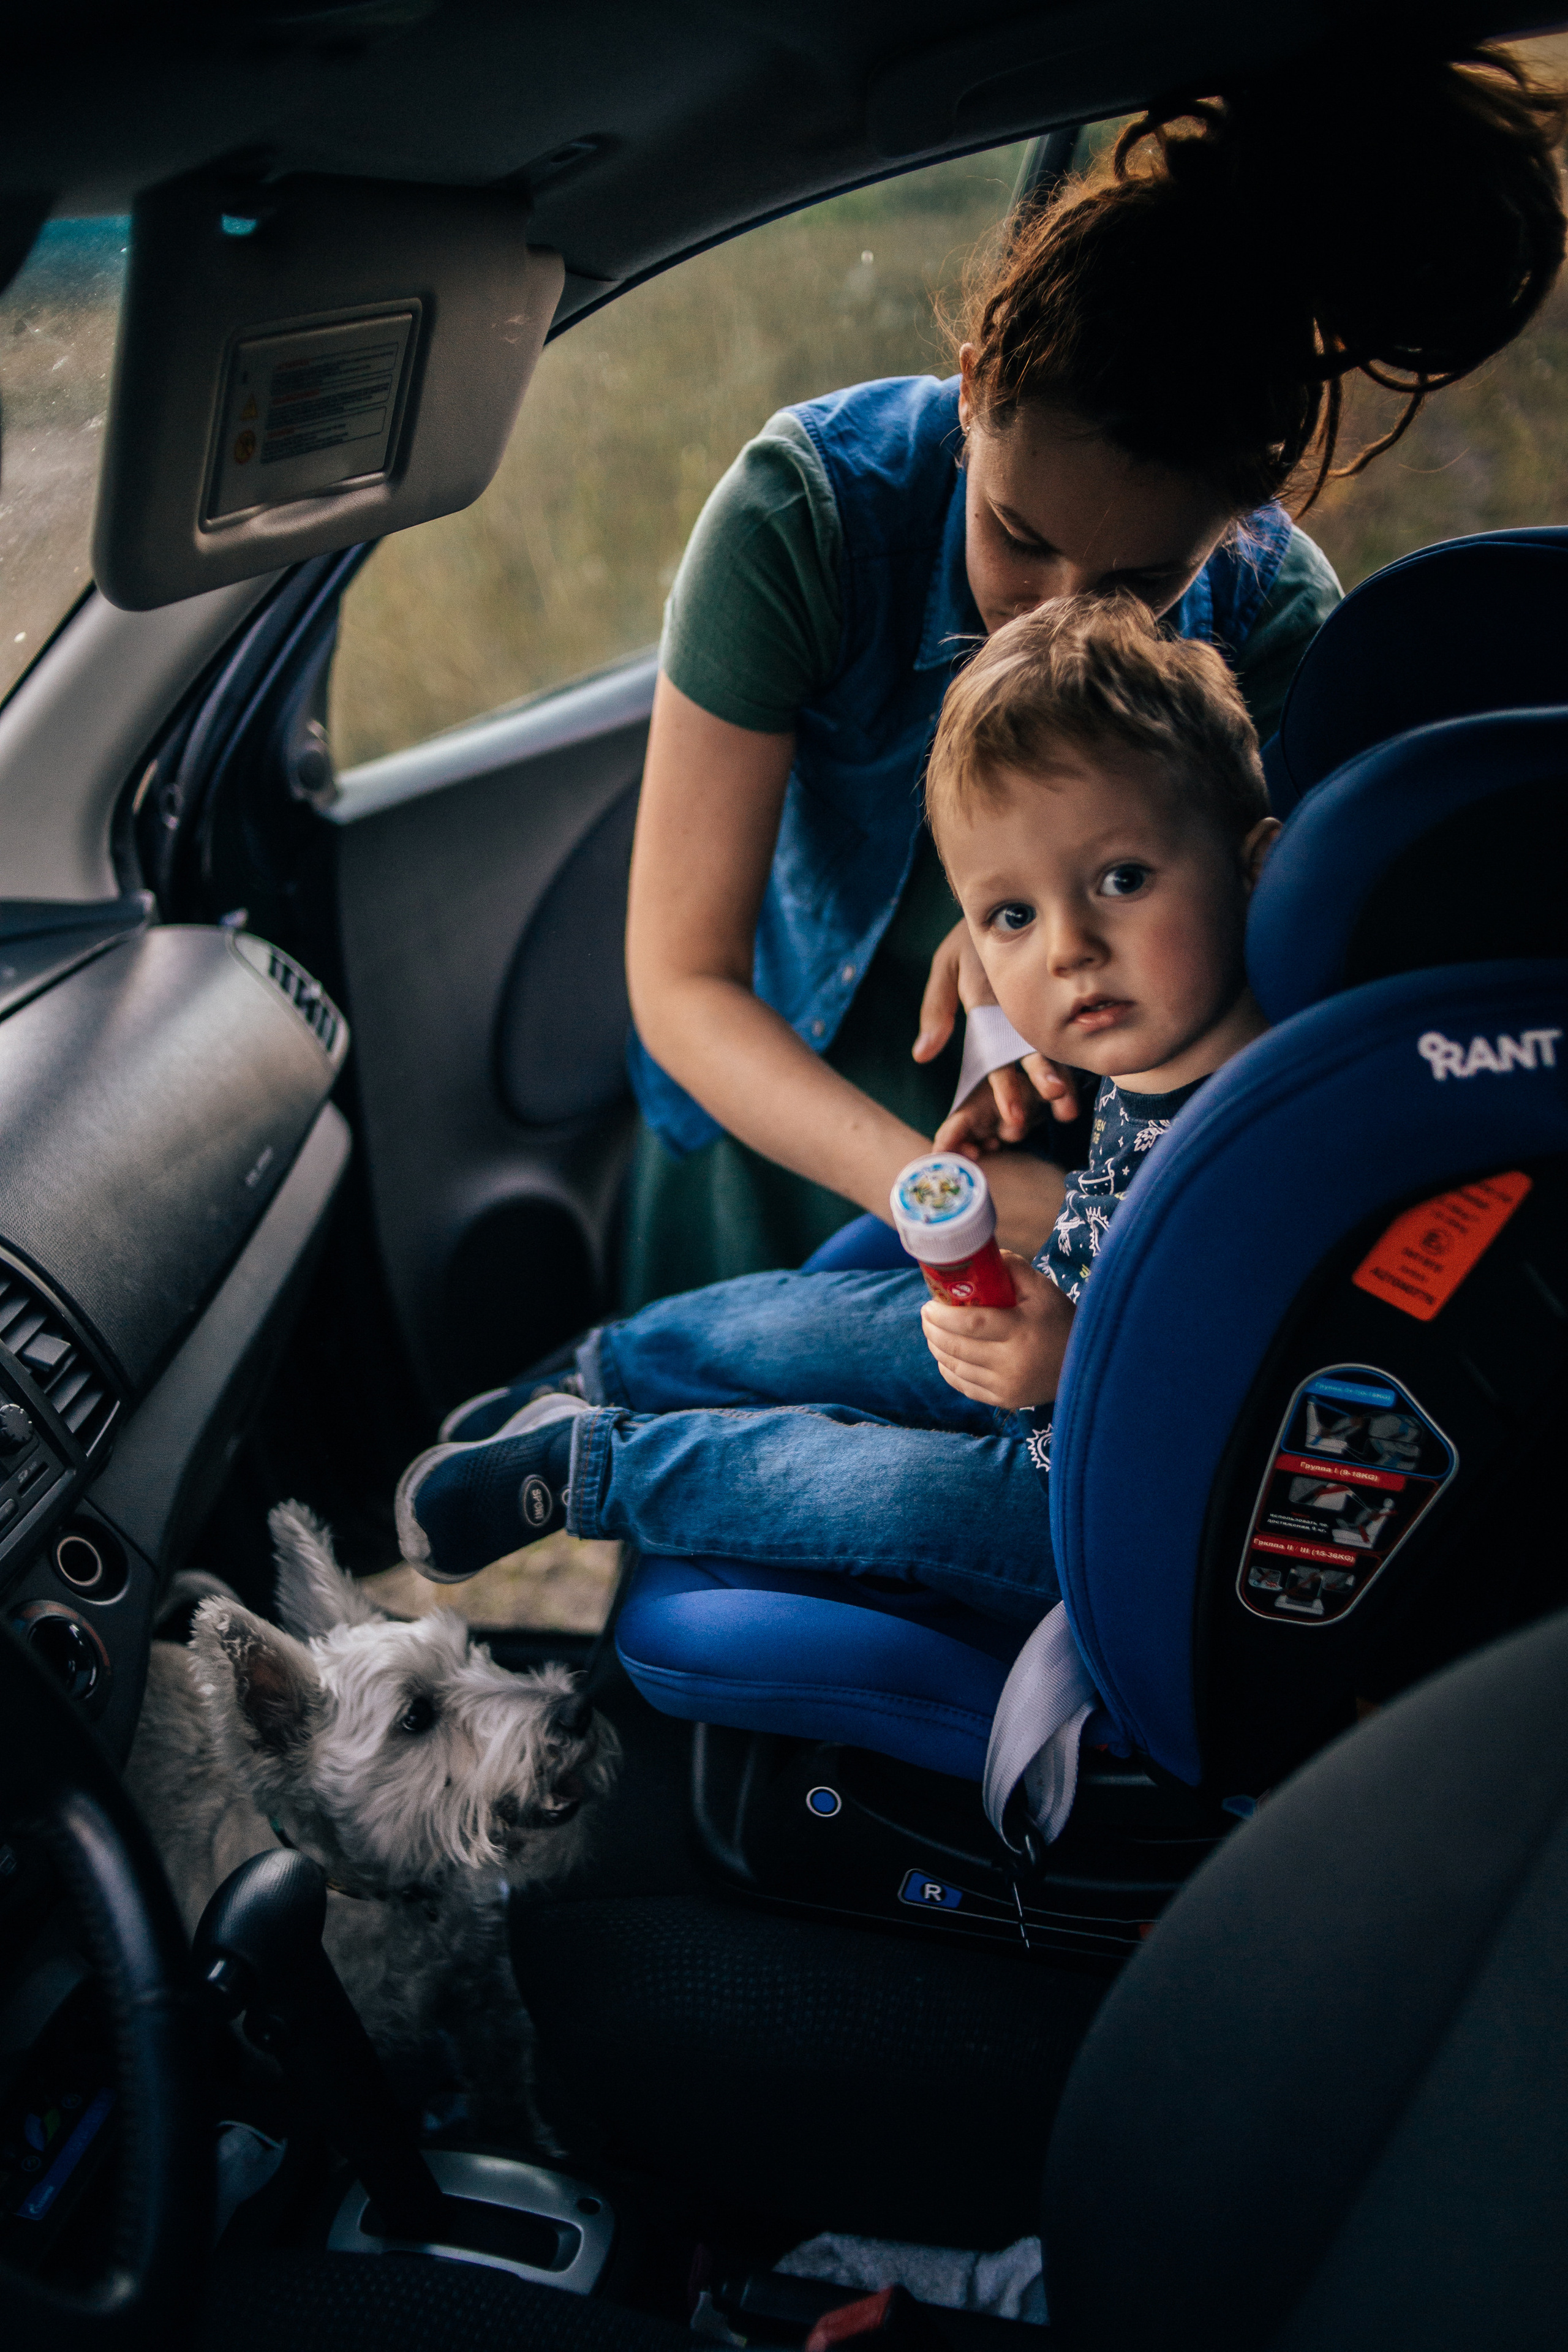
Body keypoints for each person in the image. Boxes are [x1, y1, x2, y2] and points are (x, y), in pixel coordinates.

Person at [619, 47, 1568, 1306]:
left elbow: (1241, 974)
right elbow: (681, 978)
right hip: (781, 1124)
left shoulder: (1282, 625)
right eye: (1014, 535)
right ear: (972, 396)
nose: (1053, 610)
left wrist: (1034, 980)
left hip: (1081, 1160)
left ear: (1241, 518)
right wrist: (942, 1191)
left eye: (1133, 588)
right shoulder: (804, 516)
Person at [396, 598, 1276, 1618]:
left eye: (1123, 879)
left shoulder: (1272, 1133)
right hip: (1059, 1347)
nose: (1066, 949)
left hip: (1127, 1515)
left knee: (878, 1488)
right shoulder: (1163, 1046)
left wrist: (1079, 1362)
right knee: (815, 1323)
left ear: (1255, 869)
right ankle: (597, 1375)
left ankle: (588, 1472)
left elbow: (1272, 1382)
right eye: (1011, 916)